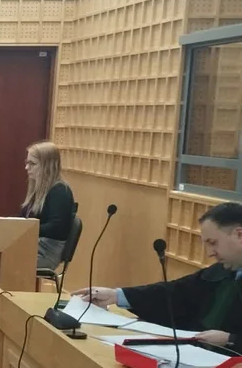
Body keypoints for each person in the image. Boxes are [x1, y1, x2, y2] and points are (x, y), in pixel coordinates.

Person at [71, 201, 242, 349]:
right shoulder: (222, 271)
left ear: (239, 234)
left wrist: (231, 339)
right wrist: (117, 295)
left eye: (213, 243)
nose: (210, 253)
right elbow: (176, 293)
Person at [20, 141, 75, 270]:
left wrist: (27, 229)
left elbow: (57, 227)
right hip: (35, 245)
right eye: (27, 162)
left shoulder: (60, 191)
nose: (27, 168)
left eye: (32, 164)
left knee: (5, 260)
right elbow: (23, 217)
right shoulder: (37, 190)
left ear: (48, 166)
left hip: (47, 253)